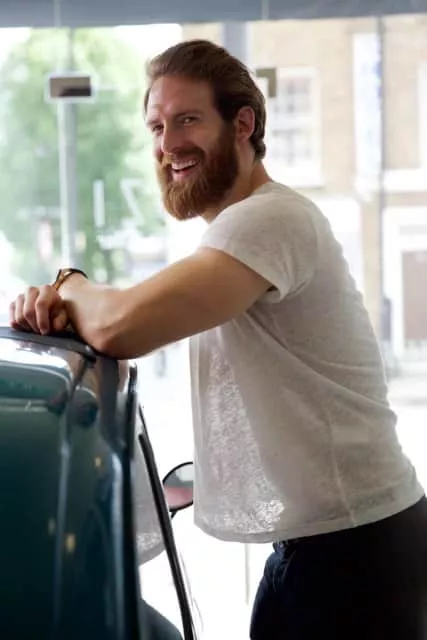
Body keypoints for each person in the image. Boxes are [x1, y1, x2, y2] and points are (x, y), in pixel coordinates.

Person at [9, 39, 427, 639]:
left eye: (187, 120)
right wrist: (67, 302)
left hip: (356, 553)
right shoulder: (240, 230)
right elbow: (125, 309)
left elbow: (123, 325)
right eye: (157, 127)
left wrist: (67, 283)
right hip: (326, 546)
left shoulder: (269, 219)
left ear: (243, 124)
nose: (167, 144)